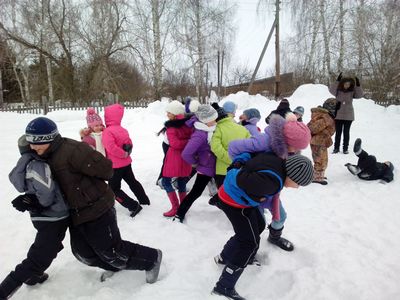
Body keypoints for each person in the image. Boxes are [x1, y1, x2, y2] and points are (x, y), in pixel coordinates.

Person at [23, 117, 162, 286]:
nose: (32, 147)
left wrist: (84, 183)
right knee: (83, 253)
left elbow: (107, 170)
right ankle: (114, 266)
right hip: (74, 212)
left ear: (49, 139)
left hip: (96, 206)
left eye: (36, 143)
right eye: (30, 143)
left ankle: (151, 259)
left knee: (111, 250)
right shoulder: (42, 155)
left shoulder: (73, 150)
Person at [212, 153, 314, 300]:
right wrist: (252, 194)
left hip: (240, 200)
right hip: (234, 203)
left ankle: (224, 257)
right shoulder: (271, 182)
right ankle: (224, 285)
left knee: (259, 225)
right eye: (298, 183)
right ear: (292, 175)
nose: (296, 187)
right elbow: (238, 177)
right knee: (249, 243)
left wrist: (240, 164)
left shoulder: (276, 161)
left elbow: (249, 155)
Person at [0, 135, 70, 299]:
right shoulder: (37, 165)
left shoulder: (25, 164)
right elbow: (46, 192)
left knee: (48, 247)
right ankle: (5, 290)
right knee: (41, 254)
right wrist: (42, 203)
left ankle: (33, 275)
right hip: (53, 216)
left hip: (43, 217)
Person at [102, 104, 150, 218]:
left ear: (108, 117)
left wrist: (123, 154)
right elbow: (129, 143)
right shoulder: (123, 129)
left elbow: (111, 147)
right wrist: (127, 153)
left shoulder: (107, 131)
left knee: (113, 189)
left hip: (115, 166)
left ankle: (133, 206)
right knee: (132, 181)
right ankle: (144, 200)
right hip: (126, 163)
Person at [173, 105, 218, 222]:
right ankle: (179, 214)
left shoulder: (209, 129)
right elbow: (186, 154)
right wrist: (197, 163)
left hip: (216, 165)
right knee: (195, 192)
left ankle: (217, 200)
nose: (215, 121)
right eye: (213, 119)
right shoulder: (200, 135)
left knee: (225, 187)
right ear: (205, 120)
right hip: (206, 168)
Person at [209, 103, 251, 206]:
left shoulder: (217, 129)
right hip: (239, 169)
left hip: (222, 169)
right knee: (236, 194)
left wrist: (229, 158)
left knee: (224, 194)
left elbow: (215, 147)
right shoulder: (242, 128)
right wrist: (239, 160)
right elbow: (250, 146)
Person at [229, 113, 311, 160]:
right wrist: (242, 164)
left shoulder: (288, 152)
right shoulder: (263, 141)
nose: (296, 151)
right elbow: (234, 146)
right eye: (296, 147)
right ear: (288, 141)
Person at [161, 100, 194, 217]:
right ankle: (183, 207)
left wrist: (186, 142)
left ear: (175, 113)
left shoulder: (171, 127)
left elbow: (174, 144)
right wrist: (189, 142)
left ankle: (176, 208)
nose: (167, 114)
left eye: (169, 112)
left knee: (166, 181)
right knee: (181, 181)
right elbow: (192, 138)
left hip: (175, 158)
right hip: (186, 157)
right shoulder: (187, 124)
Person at [329, 72, 363, 154]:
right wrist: (337, 81)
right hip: (338, 114)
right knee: (338, 132)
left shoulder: (352, 91)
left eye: (348, 84)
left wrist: (358, 84)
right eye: (345, 84)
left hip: (349, 115)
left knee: (346, 133)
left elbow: (360, 95)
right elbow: (331, 90)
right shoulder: (338, 91)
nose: (347, 85)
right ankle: (336, 148)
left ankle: (345, 149)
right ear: (342, 84)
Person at [307, 98, 336, 185]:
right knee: (320, 159)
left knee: (323, 159)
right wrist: (324, 132)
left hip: (321, 141)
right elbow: (313, 128)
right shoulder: (325, 117)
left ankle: (319, 175)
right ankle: (317, 177)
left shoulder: (327, 116)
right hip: (318, 141)